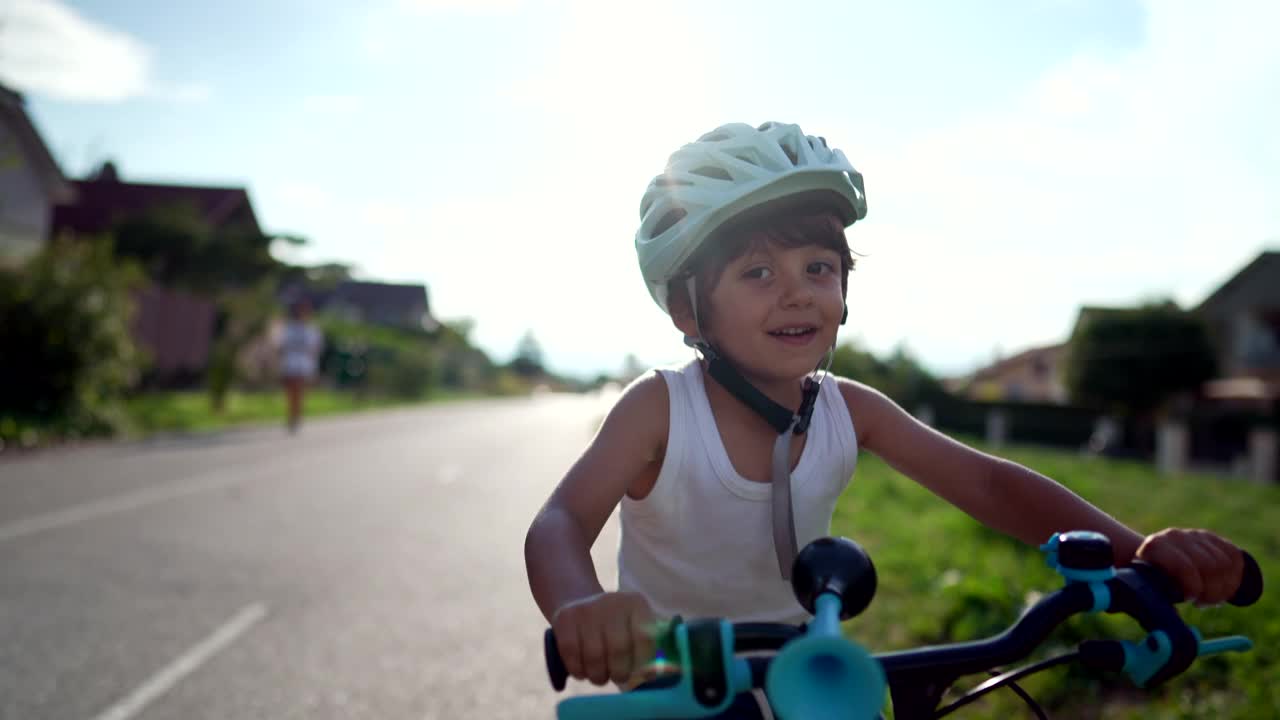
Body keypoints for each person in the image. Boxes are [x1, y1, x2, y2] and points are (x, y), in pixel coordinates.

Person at [523, 122, 1247, 716]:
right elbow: (559, 522)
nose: (799, 294)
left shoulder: (848, 407)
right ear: (688, 310)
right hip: (671, 677)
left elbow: (990, 486)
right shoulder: (661, 408)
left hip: (808, 665)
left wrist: (1139, 553)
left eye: (819, 268)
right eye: (757, 273)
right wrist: (582, 608)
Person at [274, 297, 324, 433]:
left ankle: (296, 416)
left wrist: (313, 368)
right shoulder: (288, 328)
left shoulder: (312, 329)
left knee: (300, 392)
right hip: (289, 364)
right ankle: (292, 415)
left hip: (303, 366)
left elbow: (315, 349)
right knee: (290, 393)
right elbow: (280, 346)